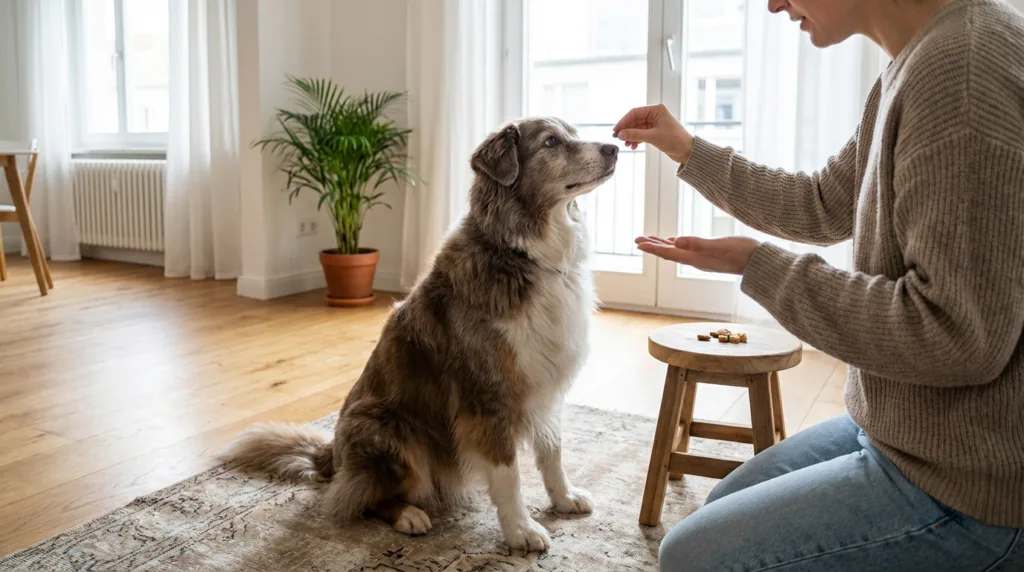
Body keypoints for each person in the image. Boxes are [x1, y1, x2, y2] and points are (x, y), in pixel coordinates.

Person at [613, 0, 1024, 570]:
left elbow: (956, 334)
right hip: (902, 433)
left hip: (968, 486)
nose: (773, 3)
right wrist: (686, 148)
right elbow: (824, 204)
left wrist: (759, 266)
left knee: (692, 559)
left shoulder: (964, 72)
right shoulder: (919, 57)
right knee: (721, 505)